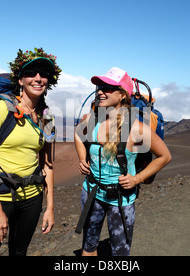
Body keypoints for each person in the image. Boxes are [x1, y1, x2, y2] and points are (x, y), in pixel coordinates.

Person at [0, 48, 61, 256]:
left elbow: (47, 165)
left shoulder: (47, 119)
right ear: (20, 80)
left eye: (43, 74)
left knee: (19, 252)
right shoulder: (2, 108)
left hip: (32, 198)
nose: (38, 78)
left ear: (49, 81)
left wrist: (50, 208)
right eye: (31, 73)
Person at [74, 67, 172, 256]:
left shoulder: (137, 128)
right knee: (89, 245)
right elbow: (78, 135)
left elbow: (165, 156)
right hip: (91, 192)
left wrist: (137, 179)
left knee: (120, 252)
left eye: (109, 87)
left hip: (121, 199)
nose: (101, 91)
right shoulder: (91, 120)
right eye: (100, 87)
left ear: (122, 95)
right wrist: (81, 158)